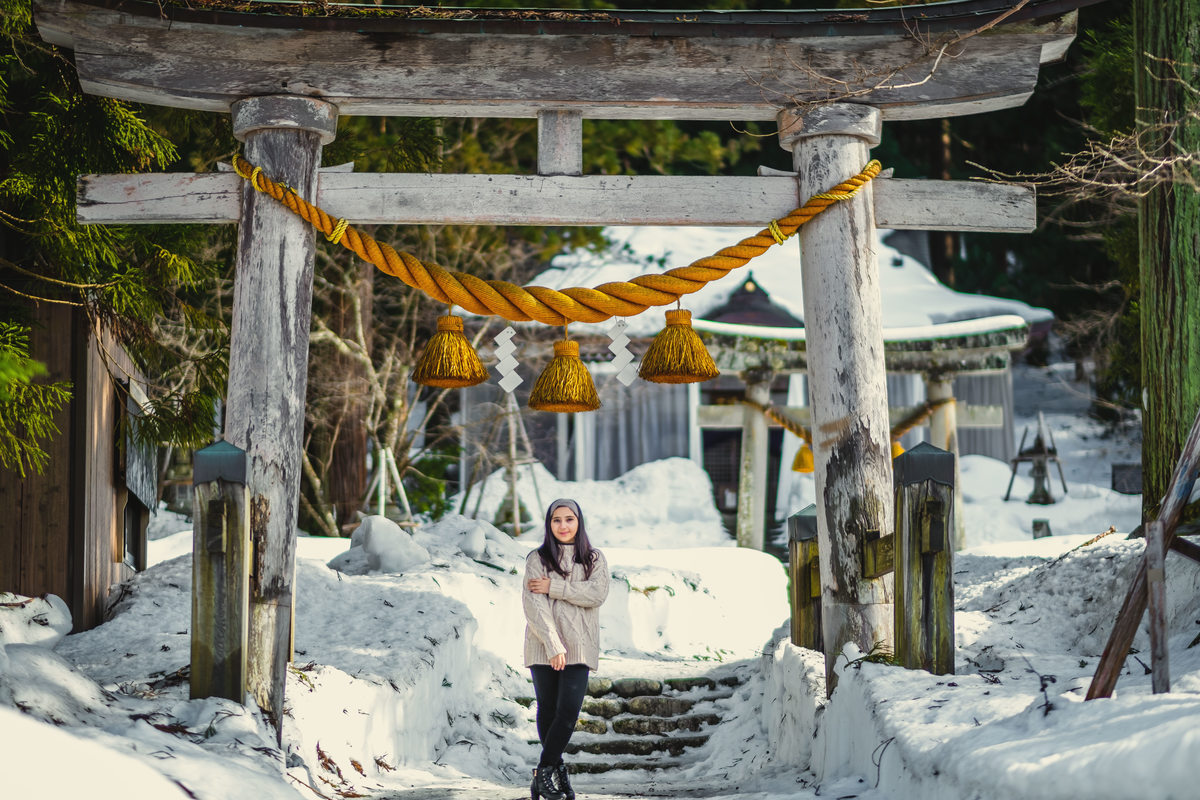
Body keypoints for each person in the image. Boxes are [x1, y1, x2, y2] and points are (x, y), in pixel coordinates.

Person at [522, 498, 610, 800]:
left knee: (568, 712)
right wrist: (553, 645)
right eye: (556, 520)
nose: (563, 525)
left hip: (581, 647)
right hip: (543, 646)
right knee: (548, 710)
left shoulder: (594, 559)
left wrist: (555, 587)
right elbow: (534, 605)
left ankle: (543, 773)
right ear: (549, 524)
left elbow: (596, 594)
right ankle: (555, 774)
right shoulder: (537, 558)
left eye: (569, 519)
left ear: (578, 522)